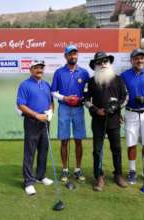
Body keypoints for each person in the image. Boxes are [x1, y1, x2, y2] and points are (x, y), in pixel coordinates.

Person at [84, 51, 127, 191]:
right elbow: (85, 100)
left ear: (109, 62)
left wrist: (116, 107)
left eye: (105, 61)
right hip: (98, 120)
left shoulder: (118, 79)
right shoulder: (91, 82)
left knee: (117, 149)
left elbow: (126, 97)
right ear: (95, 65)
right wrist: (96, 110)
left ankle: (118, 174)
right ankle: (99, 177)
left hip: (114, 120)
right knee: (97, 150)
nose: (102, 64)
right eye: (99, 62)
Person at [120, 48, 144, 186]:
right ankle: (132, 171)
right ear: (132, 60)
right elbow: (121, 95)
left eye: (142, 58)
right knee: (131, 144)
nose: (139, 60)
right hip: (130, 112)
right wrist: (119, 112)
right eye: (136, 58)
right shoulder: (124, 75)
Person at [51, 45, 90, 182]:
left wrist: (83, 99)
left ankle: (78, 170)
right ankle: (65, 170)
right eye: (70, 54)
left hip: (79, 109)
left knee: (78, 140)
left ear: (77, 56)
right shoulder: (59, 72)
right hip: (64, 109)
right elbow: (53, 92)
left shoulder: (84, 73)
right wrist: (65, 98)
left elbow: (88, 92)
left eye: (75, 54)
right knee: (64, 140)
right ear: (65, 56)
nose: (73, 56)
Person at [16, 60, 54, 195]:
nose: (40, 70)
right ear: (31, 70)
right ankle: (28, 181)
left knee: (43, 150)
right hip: (32, 122)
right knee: (30, 152)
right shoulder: (25, 85)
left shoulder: (46, 85)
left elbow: (51, 102)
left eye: (41, 68)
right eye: (37, 68)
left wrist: (50, 112)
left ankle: (41, 176)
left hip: (45, 122)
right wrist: (36, 115)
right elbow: (21, 105)